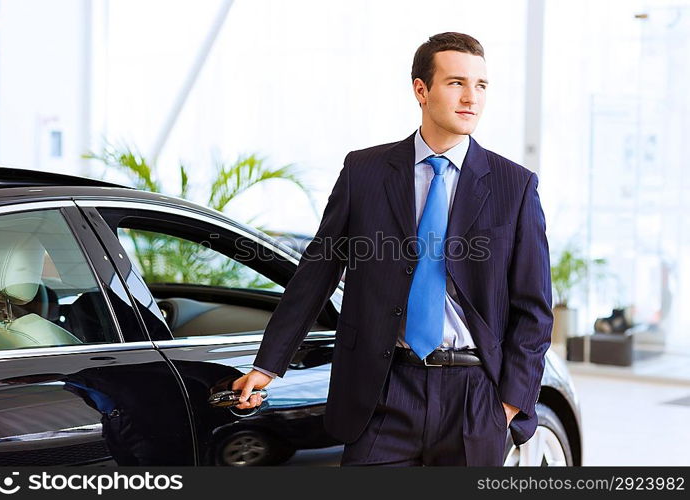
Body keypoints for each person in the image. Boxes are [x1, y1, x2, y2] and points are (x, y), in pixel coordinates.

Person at [232, 32, 553, 466]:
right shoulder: (364, 171)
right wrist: (268, 365)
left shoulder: (514, 185)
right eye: (456, 83)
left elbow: (534, 310)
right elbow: (317, 272)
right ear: (421, 90)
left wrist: (507, 407)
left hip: (474, 397)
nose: (471, 98)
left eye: (481, 86)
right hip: (383, 391)